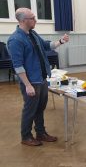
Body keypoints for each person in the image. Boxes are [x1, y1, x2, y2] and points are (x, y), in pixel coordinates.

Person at [7, 8, 69, 146]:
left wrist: (61, 41)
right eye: (32, 18)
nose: (36, 20)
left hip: (41, 78)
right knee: (30, 109)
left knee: (40, 108)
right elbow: (18, 66)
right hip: (31, 82)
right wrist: (27, 85)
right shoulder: (15, 40)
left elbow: (46, 46)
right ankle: (26, 136)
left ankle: (40, 133)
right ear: (23, 21)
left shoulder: (32, 33)